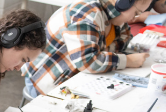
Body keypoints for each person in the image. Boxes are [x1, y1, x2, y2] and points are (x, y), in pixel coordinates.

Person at [22, 0, 153, 97]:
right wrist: (128, 61)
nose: (134, 18)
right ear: (123, 3)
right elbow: (87, 62)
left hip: (72, 76)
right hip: (44, 81)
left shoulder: (112, 18)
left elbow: (122, 42)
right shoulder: (86, 15)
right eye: (136, 13)